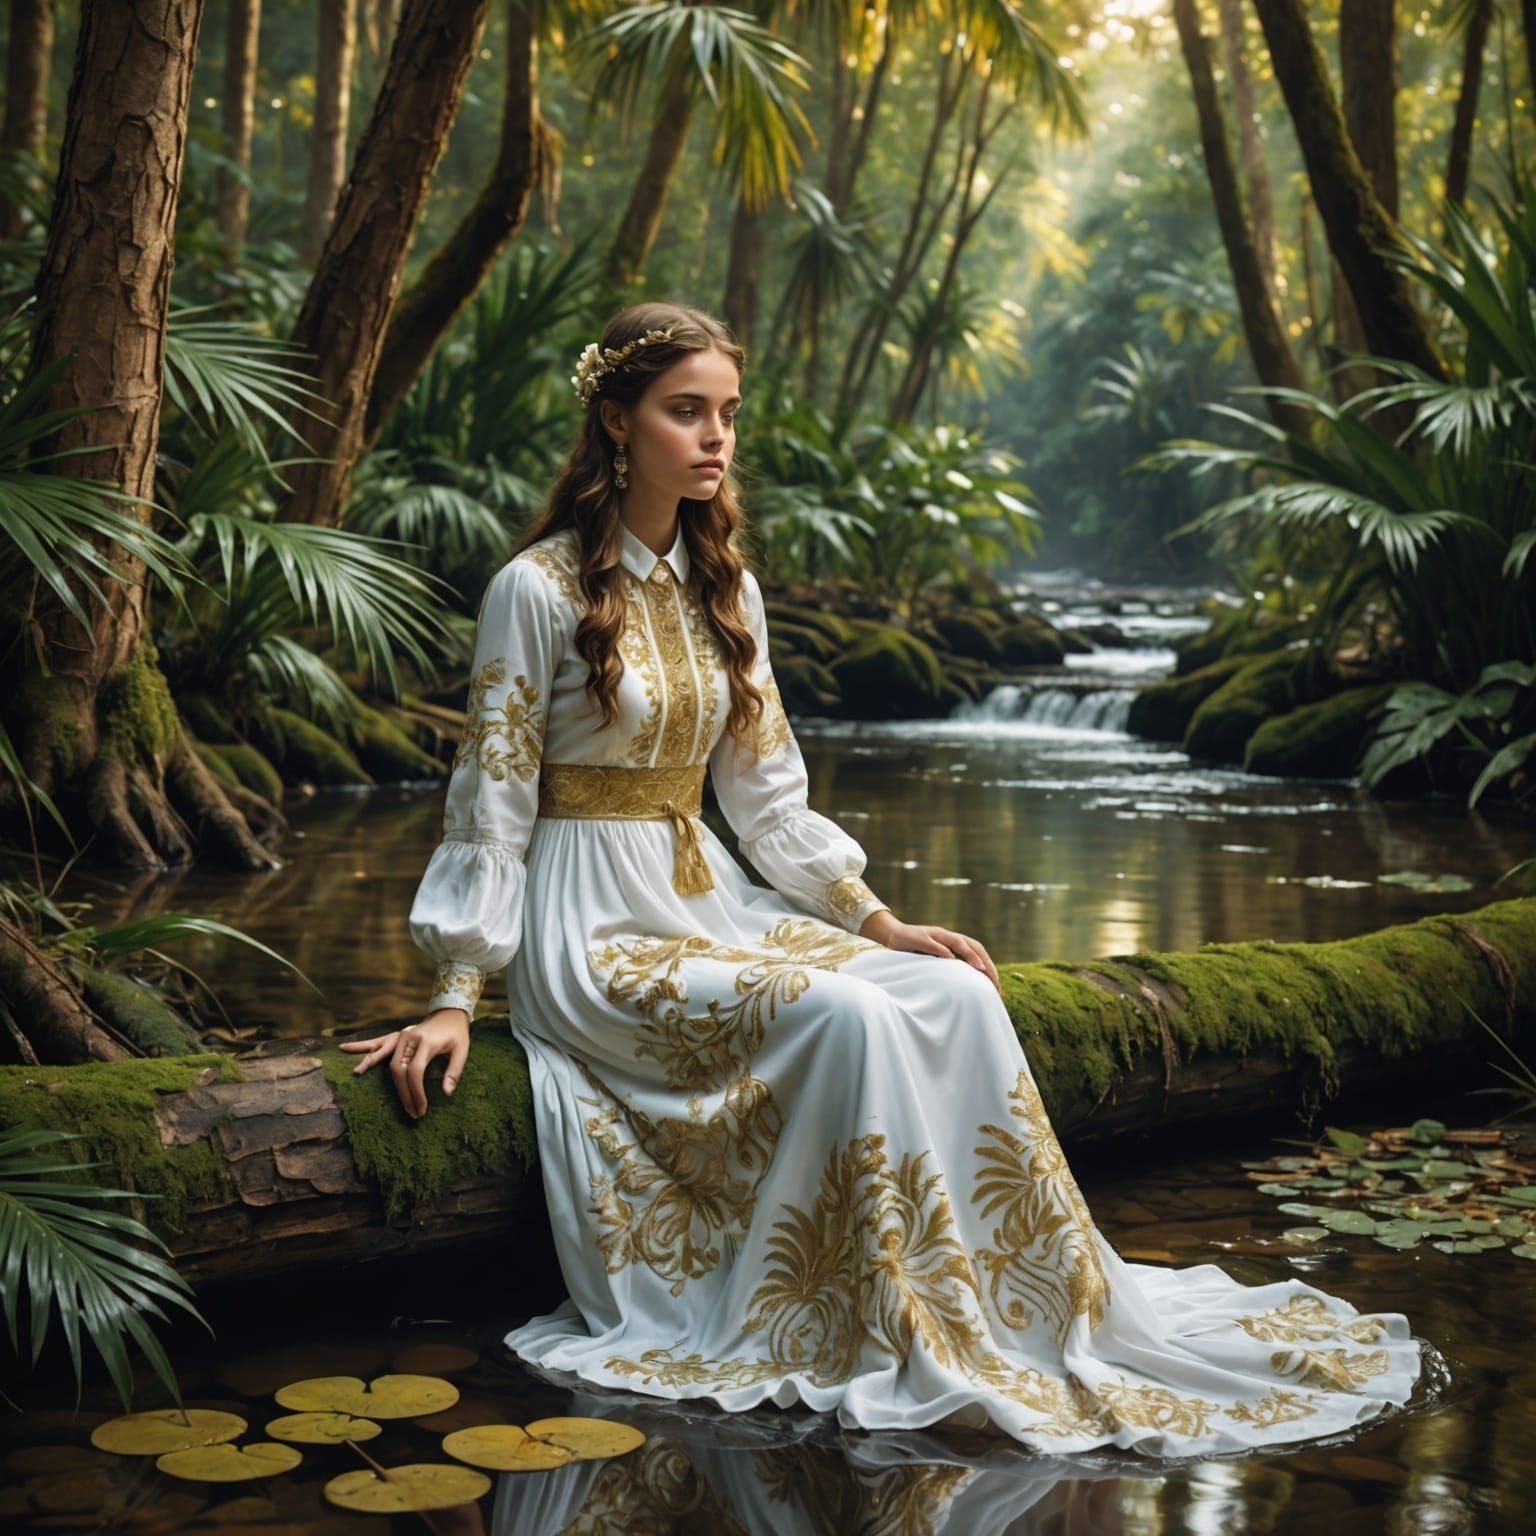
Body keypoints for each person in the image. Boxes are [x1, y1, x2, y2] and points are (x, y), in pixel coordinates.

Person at [341, 300, 1425, 1454]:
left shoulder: (727, 590)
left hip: (702, 889)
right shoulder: (537, 589)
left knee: (954, 992)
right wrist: (459, 990)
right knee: (846, 1016)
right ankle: (850, 1313)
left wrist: (876, 917)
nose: (715, 439)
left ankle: (999, 1301)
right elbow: (492, 793)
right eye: (685, 412)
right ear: (616, 420)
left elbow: (765, 800)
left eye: (728, 416)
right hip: (587, 924)